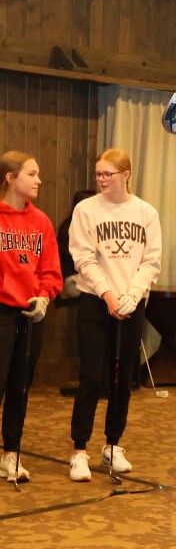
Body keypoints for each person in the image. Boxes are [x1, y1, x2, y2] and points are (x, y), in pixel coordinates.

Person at [67, 148, 162, 481]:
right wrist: (108, 294)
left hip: (131, 304)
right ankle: (79, 450)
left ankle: (112, 445)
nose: (101, 179)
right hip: (96, 301)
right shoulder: (86, 210)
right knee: (92, 377)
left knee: (124, 380)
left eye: (108, 174)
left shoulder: (146, 212)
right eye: (98, 174)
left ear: (126, 174)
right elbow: (83, 257)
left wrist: (133, 295)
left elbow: (151, 261)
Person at [0, 151, 62, 482]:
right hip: (1, 312)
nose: (39, 180)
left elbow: (51, 269)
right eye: (32, 174)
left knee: (20, 386)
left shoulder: (41, 222)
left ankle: (11, 454)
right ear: (10, 177)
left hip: (29, 314)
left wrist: (45, 296)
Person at [56, 189, 96, 299]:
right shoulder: (70, 227)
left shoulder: (69, 223)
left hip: (84, 277)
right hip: (73, 280)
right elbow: (82, 261)